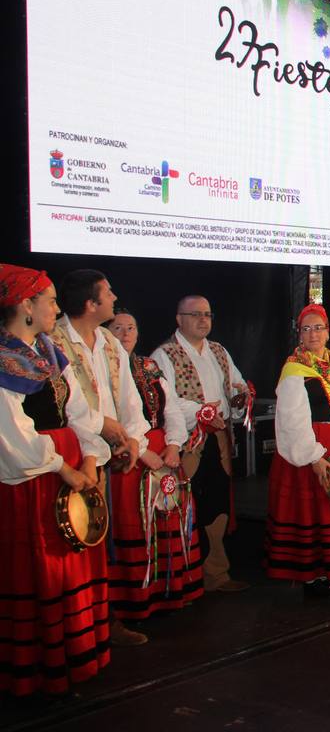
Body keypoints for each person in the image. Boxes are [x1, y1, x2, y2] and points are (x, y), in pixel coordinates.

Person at [0, 265, 110, 695]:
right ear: (26, 306)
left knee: (72, 565)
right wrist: (63, 467)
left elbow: (78, 411)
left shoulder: (48, 351)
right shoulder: (5, 360)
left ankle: (77, 653)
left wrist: (91, 460)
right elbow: (12, 434)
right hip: (33, 481)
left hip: (68, 472)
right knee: (40, 570)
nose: (56, 307)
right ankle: (39, 666)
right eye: (48, 300)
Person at [51, 271, 154, 646]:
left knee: (100, 542)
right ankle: (77, 626)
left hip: (107, 454)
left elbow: (129, 400)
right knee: (74, 542)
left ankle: (102, 621)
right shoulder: (55, 342)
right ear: (90, 304)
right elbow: (68, 407)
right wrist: (106, 429)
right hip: (72, 456)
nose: (115, 297)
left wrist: (134, 439)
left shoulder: (109, 341)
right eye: (108, 293)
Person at [105, 308, 203, 622]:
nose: (125, 333)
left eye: (131, 327)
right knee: (137, 525)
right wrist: (145, 451)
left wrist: (174, 445)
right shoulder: (101, 370)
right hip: (130, 457)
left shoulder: (148, 366)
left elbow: (171, 408)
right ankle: (136, 598)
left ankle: (170, 590)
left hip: (165, 455)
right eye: (118, 327)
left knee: (169, 519)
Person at [266, 304, 330, 594]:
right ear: (300, 335)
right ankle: (314, 576)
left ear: (327, 332)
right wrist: (313, 457)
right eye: (306, 329)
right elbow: (292, 419)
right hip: (314, 448)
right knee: (315, 511)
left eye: (318, 327)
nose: (313, 334)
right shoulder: (294, 370)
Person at [151, 295, 250, 593]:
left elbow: (237, 386)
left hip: (217, 439)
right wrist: (201, 412)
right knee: (185, 505)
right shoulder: (164, 355)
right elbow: (165, 402)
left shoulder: (218, 351)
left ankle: (216, 573)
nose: (203, 319)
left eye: (207, 313)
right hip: (187, 442)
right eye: (195, 314)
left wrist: (240, 398)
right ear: (179, 319)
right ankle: (185, 577)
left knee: (217, 503)